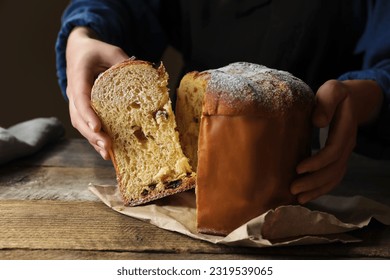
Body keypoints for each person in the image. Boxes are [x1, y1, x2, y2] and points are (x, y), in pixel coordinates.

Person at [56, 0, 390, 204]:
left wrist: (371, 94)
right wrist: (82, 36)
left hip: (328, 176)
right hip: (186, 187)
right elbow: (120, 5)